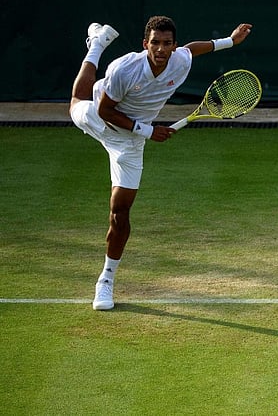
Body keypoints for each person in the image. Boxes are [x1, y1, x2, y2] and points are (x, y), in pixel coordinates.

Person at [69, 16, 252, 310]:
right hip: (101, 115)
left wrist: (230, 41)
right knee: (77, 99)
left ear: (173, 45)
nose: (161, 49)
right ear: (146, 44)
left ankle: (106, 280)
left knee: (119, 211)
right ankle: (97, 46)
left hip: (128, 144)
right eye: (155, 43)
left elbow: (193, 49)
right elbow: (105, 111)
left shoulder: (180, 59)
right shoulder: (125, 68)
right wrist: (148, 130)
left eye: (167, 43)